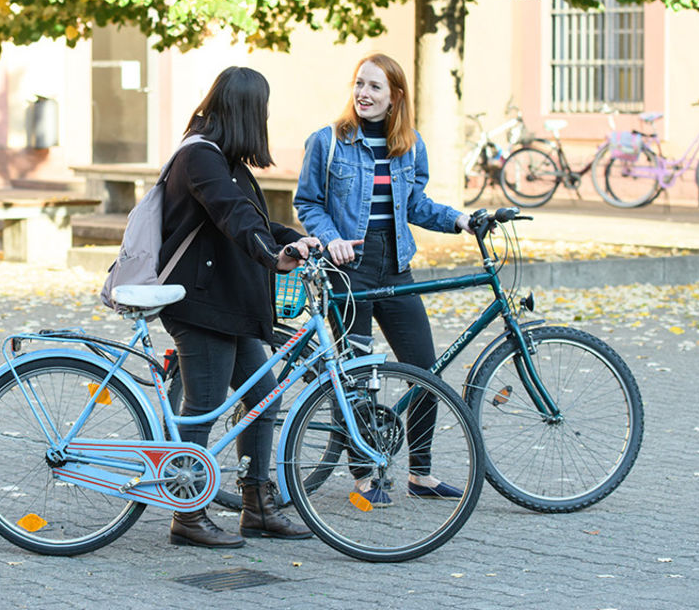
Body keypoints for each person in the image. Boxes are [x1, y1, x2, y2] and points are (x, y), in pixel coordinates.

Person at [293, 52, 473, 506]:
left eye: (374, 87)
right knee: (357, 373)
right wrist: (329, 238)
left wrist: (460, 220)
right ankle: (364, 474)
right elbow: (307, 203)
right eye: (359, 84)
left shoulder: (409, 145)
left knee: (424, 369)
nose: (363, 94)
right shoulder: (329, 141)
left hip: (395, 264)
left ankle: (422, 473)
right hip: (347, 267)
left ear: (395, 97)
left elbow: (415, 205)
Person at [159, 66, 320, 548]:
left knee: (264, 399)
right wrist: (272, 257)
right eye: (262, 110)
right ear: (247, 111)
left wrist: (297, 240)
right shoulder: (199, 157)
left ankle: (257, 506)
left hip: (233, 303)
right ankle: (186, 515)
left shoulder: (228, 162)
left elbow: (255, 220)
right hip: (201, 304)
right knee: (203, 406)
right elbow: (231, 214)